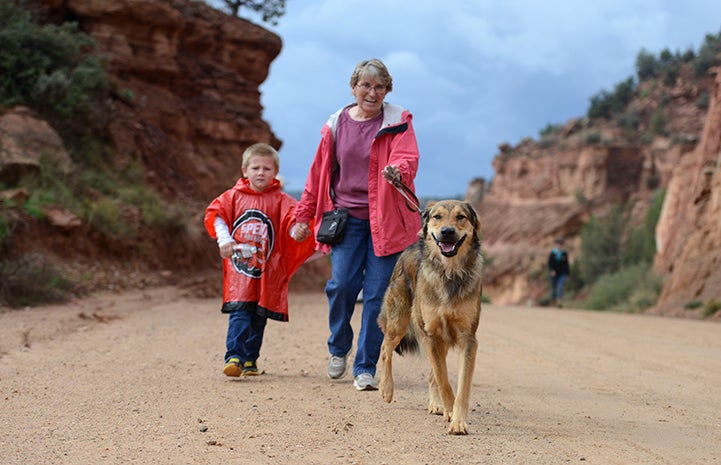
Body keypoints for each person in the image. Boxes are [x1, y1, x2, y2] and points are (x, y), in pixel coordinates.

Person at [291, 58, 422, 391]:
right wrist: (303, 215)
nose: (372, 92)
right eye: (365, 85)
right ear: (353, 88)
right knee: (342, 286)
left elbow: (407, 157)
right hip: (346, 219)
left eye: (379, 87)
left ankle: (365, 367)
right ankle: (338, 348)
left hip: (386, 221)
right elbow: (317, 174)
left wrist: (398, 172)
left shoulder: (398, 121)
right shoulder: (336, 124)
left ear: (387, 90)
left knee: (378, 296)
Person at [204, 143, 315, 377]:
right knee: (240, 312)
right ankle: (233, 355)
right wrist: (224, 239)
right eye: (255, 168)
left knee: (259, 315)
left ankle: (250, 359)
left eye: (266, 168)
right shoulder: (233, 196)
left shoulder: (281, 200)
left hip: (267, 270)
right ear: (245, 170)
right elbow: (216, 215)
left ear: (275, 172)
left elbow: (292, 222)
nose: (260, 173)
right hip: (240, 272)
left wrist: (298, 231)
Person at [548, 237, 570, 307]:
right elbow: (550, 263)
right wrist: (552, 270)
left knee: (560, 287)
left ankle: (559, 302)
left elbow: (566, 264)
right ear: (556, 244)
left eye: (561, 244)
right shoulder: (553, 253)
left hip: (562, 273)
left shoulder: (564, 253)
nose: (560, 245)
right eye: (559, 243)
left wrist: (567, 273)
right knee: (553, 288)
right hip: (554, 273)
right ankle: (553, 301)